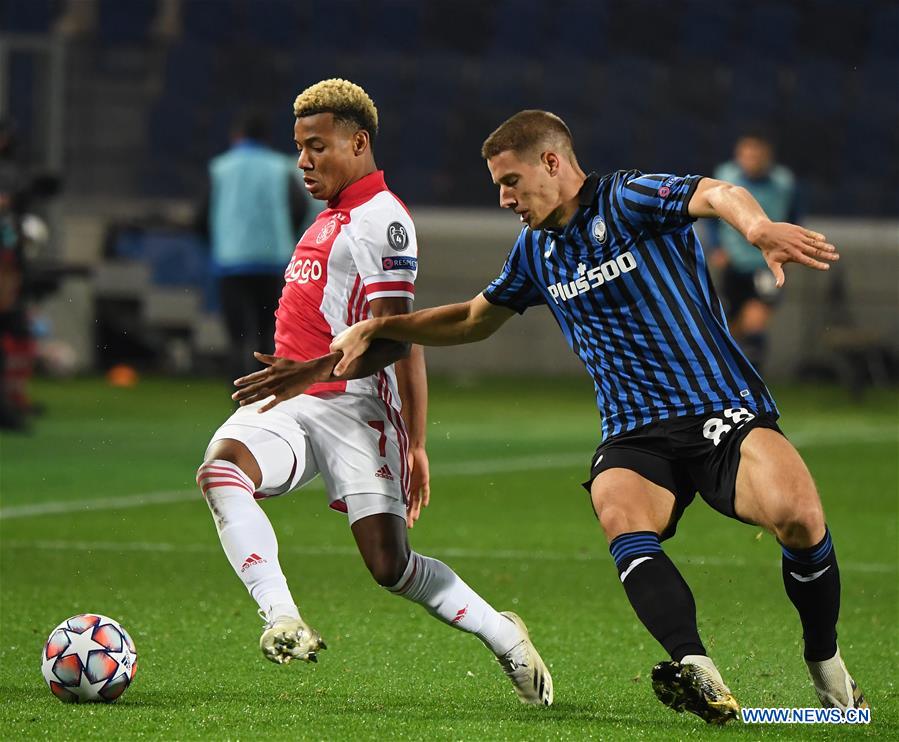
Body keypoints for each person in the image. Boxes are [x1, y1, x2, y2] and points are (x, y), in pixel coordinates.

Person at [235, 109, 865, 724]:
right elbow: (473, 319)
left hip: (718, 408)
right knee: (618, 510)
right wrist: (381, 327)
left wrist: (757, 228)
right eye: (498, 186)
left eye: (511, 182)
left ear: (553, 162)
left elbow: (719, 193)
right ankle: (696, 667)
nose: (505, 199)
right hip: (635, 431)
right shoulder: (534, 251)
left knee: (799, 519)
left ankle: (825, 662)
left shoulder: (626, 199)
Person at [197, 82, 553, 707]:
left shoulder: (382, 220)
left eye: (317, 147)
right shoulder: (327, 217)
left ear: (358, 142)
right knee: (222, 471)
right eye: (299, 147)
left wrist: (413, 441)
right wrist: (303, 378)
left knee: (391, 567)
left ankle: (504, 634)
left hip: (356, 407)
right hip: (291, 400)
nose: (303, 161)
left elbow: (396, 337)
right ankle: (281, 617)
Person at [196, 110, 321, 381]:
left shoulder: (220, 168)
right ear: (267, 138)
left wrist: (218, 244)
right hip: (273, 262)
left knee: (237, 337)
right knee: (269, 336)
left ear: (236, 136)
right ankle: (267, 391)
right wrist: (285, 237)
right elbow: (300, 207)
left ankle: (240, 394)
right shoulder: (280, 168)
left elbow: (201, 216)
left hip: (231, 263)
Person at [707, 131, 800, 371]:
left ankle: (753, 379)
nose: (751, 160)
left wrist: (789, 248)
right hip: (734, 264)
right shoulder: (725, 177)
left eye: (756, 155)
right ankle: (728, 374)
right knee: (729, 325)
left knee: (754, 323)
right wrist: (716, 247)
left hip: (765, 265)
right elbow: (710, 215)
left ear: (767, 156)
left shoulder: (783, 183)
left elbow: (794, 217)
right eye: (746, 155)